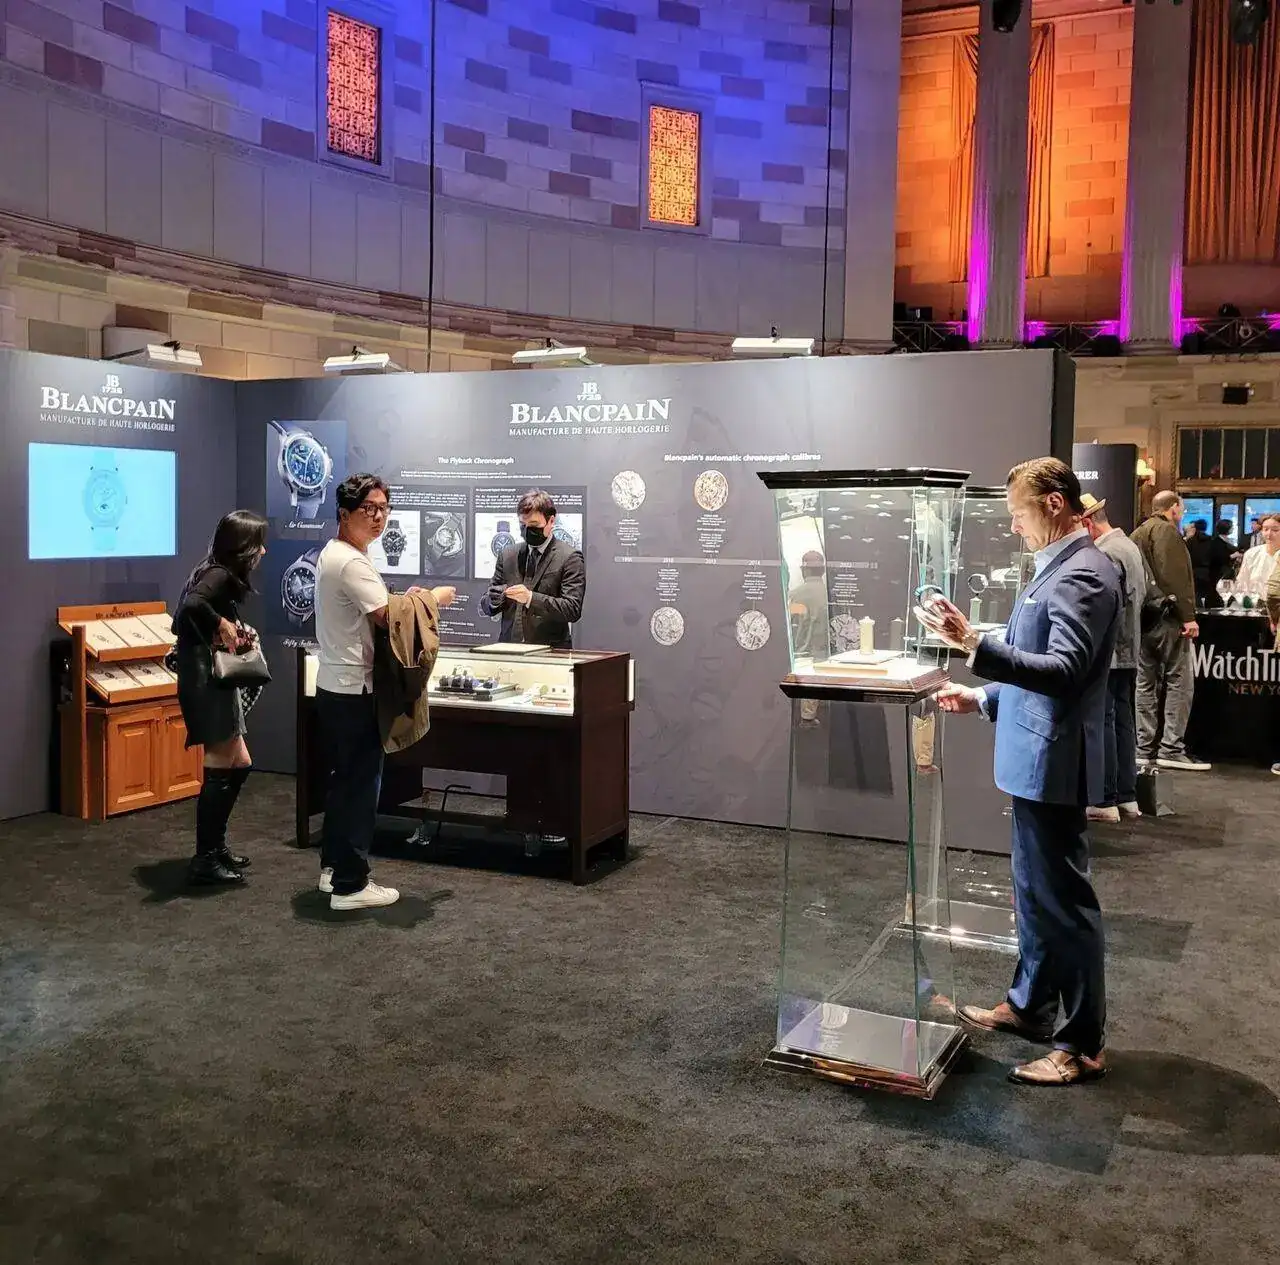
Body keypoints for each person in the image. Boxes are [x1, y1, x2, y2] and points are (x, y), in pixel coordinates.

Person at [919, 457, 1119, 1086]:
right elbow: (1034, 667)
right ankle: (1031, 1008)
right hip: (1037, 758)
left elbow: (1064, 672)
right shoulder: (1060, 568)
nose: (1013, 527)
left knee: (1065, 904)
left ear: (1054, 504)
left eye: (1018, 514)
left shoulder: (1084, 573)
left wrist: (974, 647)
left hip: (1054, 761)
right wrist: (982, 696)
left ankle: (1082, 1045)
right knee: (1034, 895)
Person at [314, 473, 456, 911]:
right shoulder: (351, 562)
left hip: (336, 686)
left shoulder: (340, 553)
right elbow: (387, 618)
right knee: (359, 787)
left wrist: (403, 599)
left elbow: (382, 607)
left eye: (383, 508)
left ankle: (333, 870)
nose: (378, 517)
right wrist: (433, 599)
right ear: (344, 514)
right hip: (355, 690)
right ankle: (351, 886)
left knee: (345, 783)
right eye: (368, 509)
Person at [173, 510, 269, 886]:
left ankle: (216, 846)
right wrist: (221, 623)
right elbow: (190, 607)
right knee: (220, 764)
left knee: (241, 762)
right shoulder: (218, 575)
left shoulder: (213, 569)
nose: (263, 551)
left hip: (208, 680)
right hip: (206, 683)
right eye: (258, 544)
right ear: (242, 547)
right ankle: (205, 858)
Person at [1131, 491, 1208, 771]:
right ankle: (1171, 748)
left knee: (1145, 684)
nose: (1182, 514)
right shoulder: (1167, 532)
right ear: (1173, 508)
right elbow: (1175, 577)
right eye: (1182, 509)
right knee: (1180, 681)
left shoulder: (1138, 533)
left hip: (1144, 619)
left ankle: (1144, 748)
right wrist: (1188, 616)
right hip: (1168, 618)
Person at [1080, 495, 1144, 822]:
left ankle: (1104, 799)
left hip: (1110, 651)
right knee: (1122, 721)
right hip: (1128, 649)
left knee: (1103, 721)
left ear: (1087, 523)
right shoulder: (1128, 546)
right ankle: (1126, 796)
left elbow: (1104, 606)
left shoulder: (1106, 553)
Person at [480, 489, 585, 648]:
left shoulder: (569, 557)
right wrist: (493, 600)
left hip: (550, 653)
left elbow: (572, 609)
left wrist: (530, 598)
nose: (528, 530)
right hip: (509, 650)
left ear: (551, 521)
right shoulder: (508, 555)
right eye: (523, 525)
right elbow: (487, 605)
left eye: (534, 525)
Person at [1186, 518, 1235, 608]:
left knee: (1197, 598)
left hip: (1194, 573)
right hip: (1209, 573)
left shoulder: (1190, 541)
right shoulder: (1211, 540)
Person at [1235, 513, 1280, 596]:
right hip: (1255, 601)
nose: (1269, 534)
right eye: (1265, 529)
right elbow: (1242, 583)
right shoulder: (1251, 554)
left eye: (1275, 530)